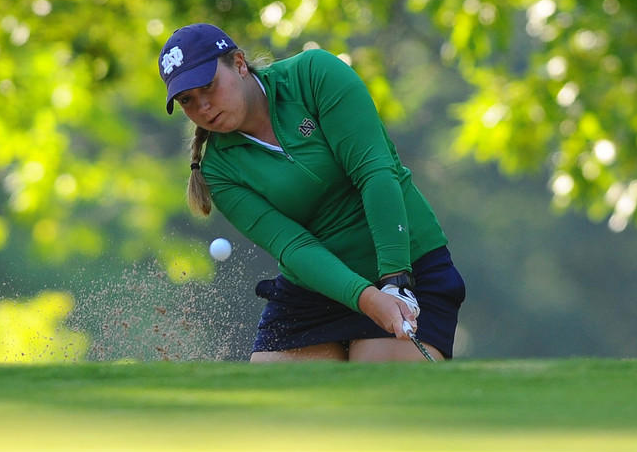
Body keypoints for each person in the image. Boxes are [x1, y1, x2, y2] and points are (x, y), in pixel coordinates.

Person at [158, 23, 465, 362]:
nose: (202, 107)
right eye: (188, 100)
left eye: (209, 86)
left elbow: (375, 172)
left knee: (379, 381)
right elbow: (293, 245)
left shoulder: (314, 75)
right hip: (317, 288)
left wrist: (395, 281)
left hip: (406, 261)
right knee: (275, 398)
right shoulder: (218, 169)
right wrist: (369, 298)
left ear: (240, 64)